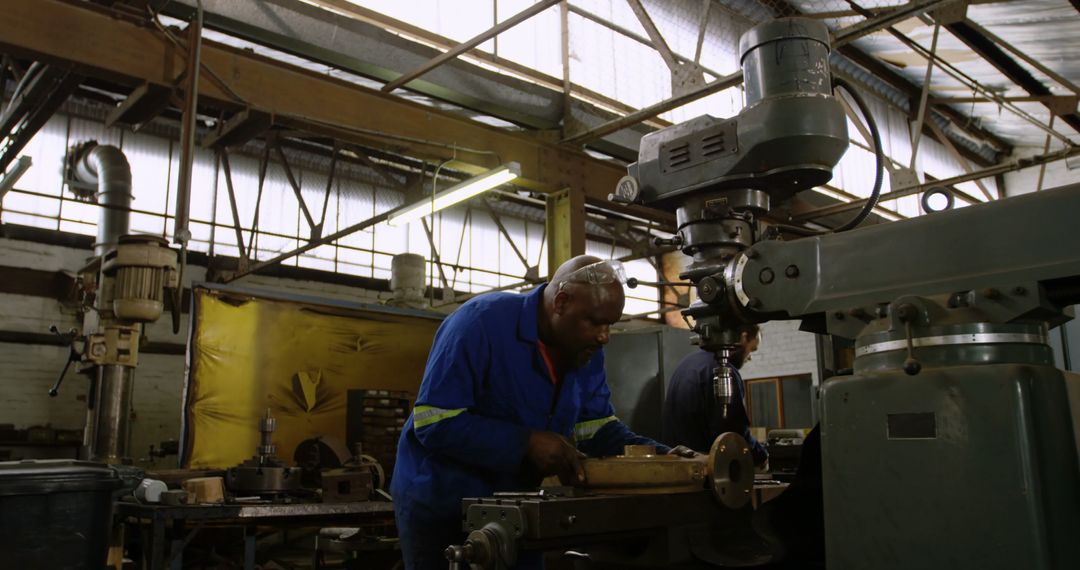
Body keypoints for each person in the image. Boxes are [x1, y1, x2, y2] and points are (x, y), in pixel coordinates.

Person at [390, 255, 673, 570]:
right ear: (561, 302)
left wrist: (669, 459)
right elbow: (433, 421)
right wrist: (526, 443)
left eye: (610, 325)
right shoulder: (480, 324)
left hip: (518, 508)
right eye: (594, 322)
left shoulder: (586, 354)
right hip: (442, 505)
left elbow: (596, 430)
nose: (603, 336)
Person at [661, 323, 768, 466]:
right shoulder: (724, 371)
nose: (750, 357)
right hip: (706, 469)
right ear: (743, 338)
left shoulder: (686, 364)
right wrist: (760, 456)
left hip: (678, 465)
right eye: (752, 350)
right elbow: (732, 430)